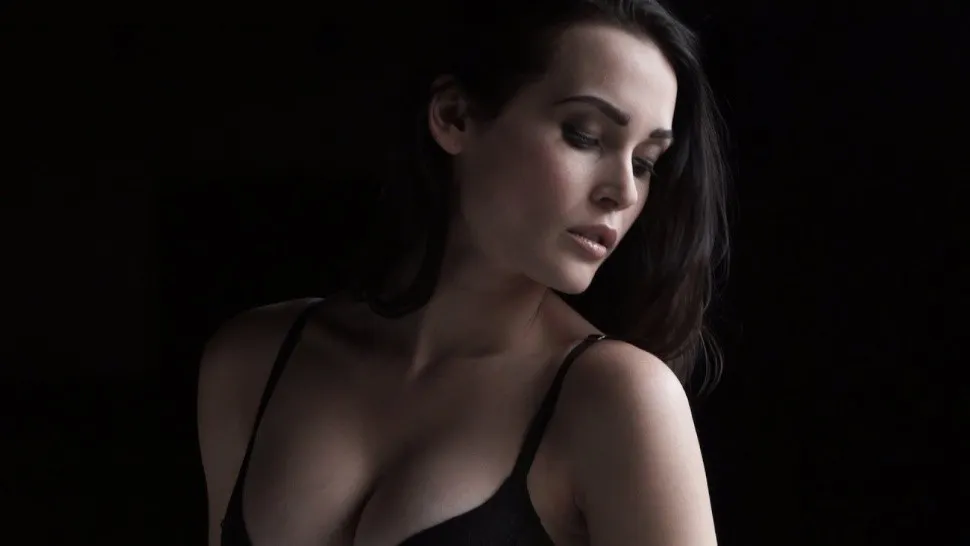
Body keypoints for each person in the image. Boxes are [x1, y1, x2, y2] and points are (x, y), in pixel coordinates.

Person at [197, 0, 730, 544]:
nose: (624, 191)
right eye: (584, 135)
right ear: (454, 116)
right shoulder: (252, 363)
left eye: (644, 162)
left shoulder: (618, 401)